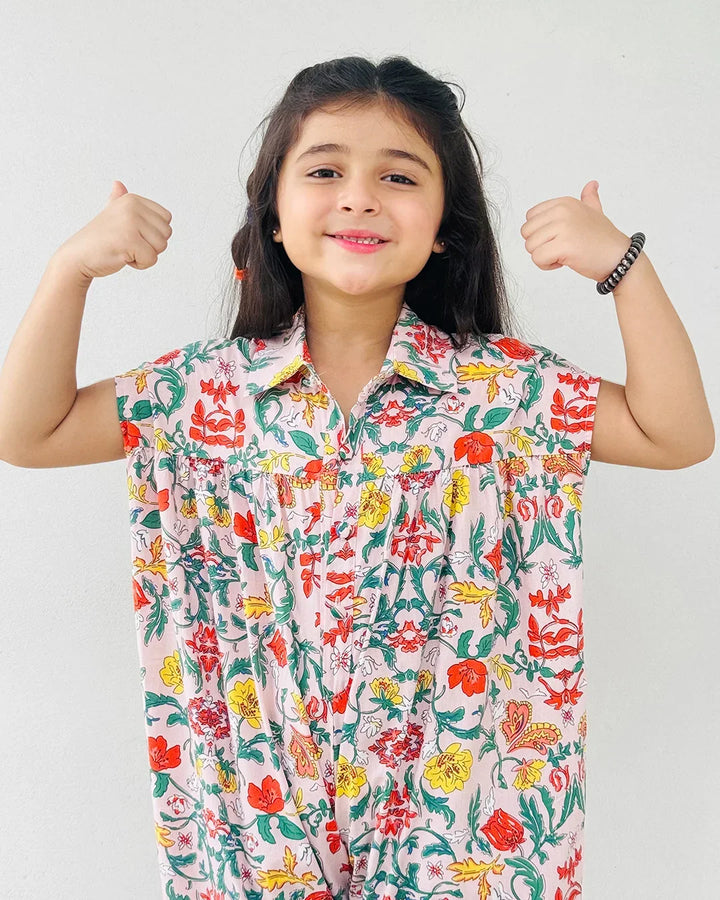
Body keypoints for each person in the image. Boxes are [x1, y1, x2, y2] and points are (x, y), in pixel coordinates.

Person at [0, 54, 714, 900]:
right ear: (273, 214)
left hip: (469, 808)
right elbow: (28, 431)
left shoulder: (502, 390)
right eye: (326, 169)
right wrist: (68, 269)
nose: (360, 196)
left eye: (400, 175)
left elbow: (676, 435)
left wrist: (621, 267)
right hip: (253, 803)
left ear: (446, 223)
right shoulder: (206, 394)